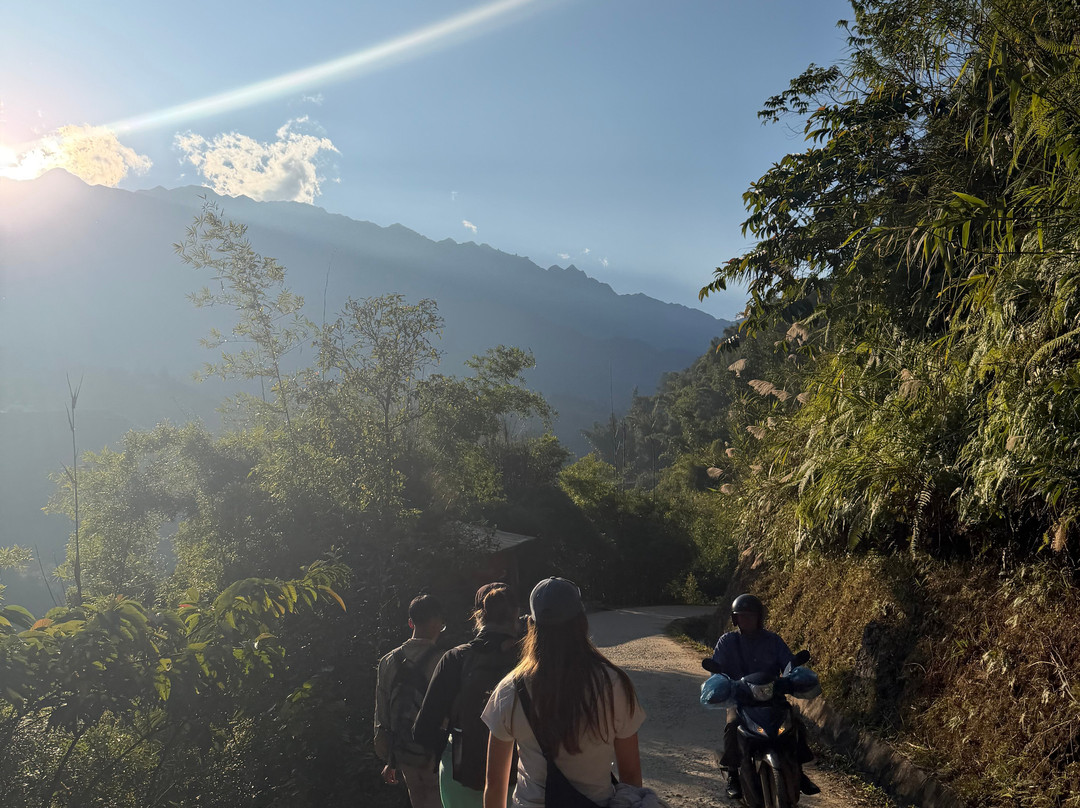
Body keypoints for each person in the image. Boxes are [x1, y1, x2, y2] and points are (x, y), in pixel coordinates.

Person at [482, 577, 645, 808]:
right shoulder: (614, 685)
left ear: (530, 625)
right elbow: (630, 776)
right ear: (582, 622)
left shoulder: (510, 690)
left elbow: (495, 784)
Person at [413, 582, 522, 808]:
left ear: (477, 616)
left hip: (463, 773)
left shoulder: (455, 659)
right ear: (516, 614)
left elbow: (423, 730)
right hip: (522, 775)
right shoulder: (530, 658)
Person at [711, 593, 818, 800]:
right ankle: (733, 773)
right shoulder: (728, 641)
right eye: (742, 616)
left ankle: (799, 771)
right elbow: (718, 668)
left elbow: (787, 663)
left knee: (794, 721)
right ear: (735, 619)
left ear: (760, 618)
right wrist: (720, 681)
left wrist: (793, 673)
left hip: (772, 696)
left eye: (751, 616)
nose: (747, 620)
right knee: (732, 725)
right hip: (740, 698)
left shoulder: (773, 640)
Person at [374, 594, 446, 808]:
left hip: (403, 750)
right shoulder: (445, 660)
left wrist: (389, 758)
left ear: (411, 622)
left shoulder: (388, 661)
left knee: (417, 797)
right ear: (438, 622)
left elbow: (382, 715)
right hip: (435, 751)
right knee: (437, 798)